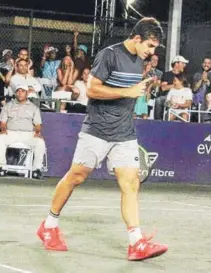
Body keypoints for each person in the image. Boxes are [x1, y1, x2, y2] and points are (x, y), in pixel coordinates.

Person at [37, 17, 168, 261]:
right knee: (76, 176)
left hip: (124, 132)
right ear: (137, 38)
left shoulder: (140, 61)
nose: (151, 52)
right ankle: (49, 225)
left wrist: (140, 88)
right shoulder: (109, 55)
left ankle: (135, 242)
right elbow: (93, 90)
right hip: (97, 130)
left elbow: (126, 91)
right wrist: (126, 91)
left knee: (130, 183)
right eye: (149, 46)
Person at [0, 84, 46, 179]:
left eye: (22, 91)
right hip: (11, 132)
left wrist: (37, 132)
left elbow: (38, 124)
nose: (20, 93)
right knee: (1, 138)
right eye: (18, 91)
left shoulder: (34, 107)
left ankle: (36, 170)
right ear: (15, 93)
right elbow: (3, 123)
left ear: (27, 93)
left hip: (28, 134)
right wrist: (3, 129)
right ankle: (2, 167)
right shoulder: (8, 106)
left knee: (40, 142)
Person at [154, 55, 188, 120]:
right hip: (168, 98)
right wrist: (177, 85)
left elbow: (187, 88)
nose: (185, 65)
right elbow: (163, 88)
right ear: (176, 64)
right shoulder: (166, 74)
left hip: (180, 98)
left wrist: (170, 86)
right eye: (183, 63)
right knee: (158, 100)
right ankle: (157, 121)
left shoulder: (184, 76)